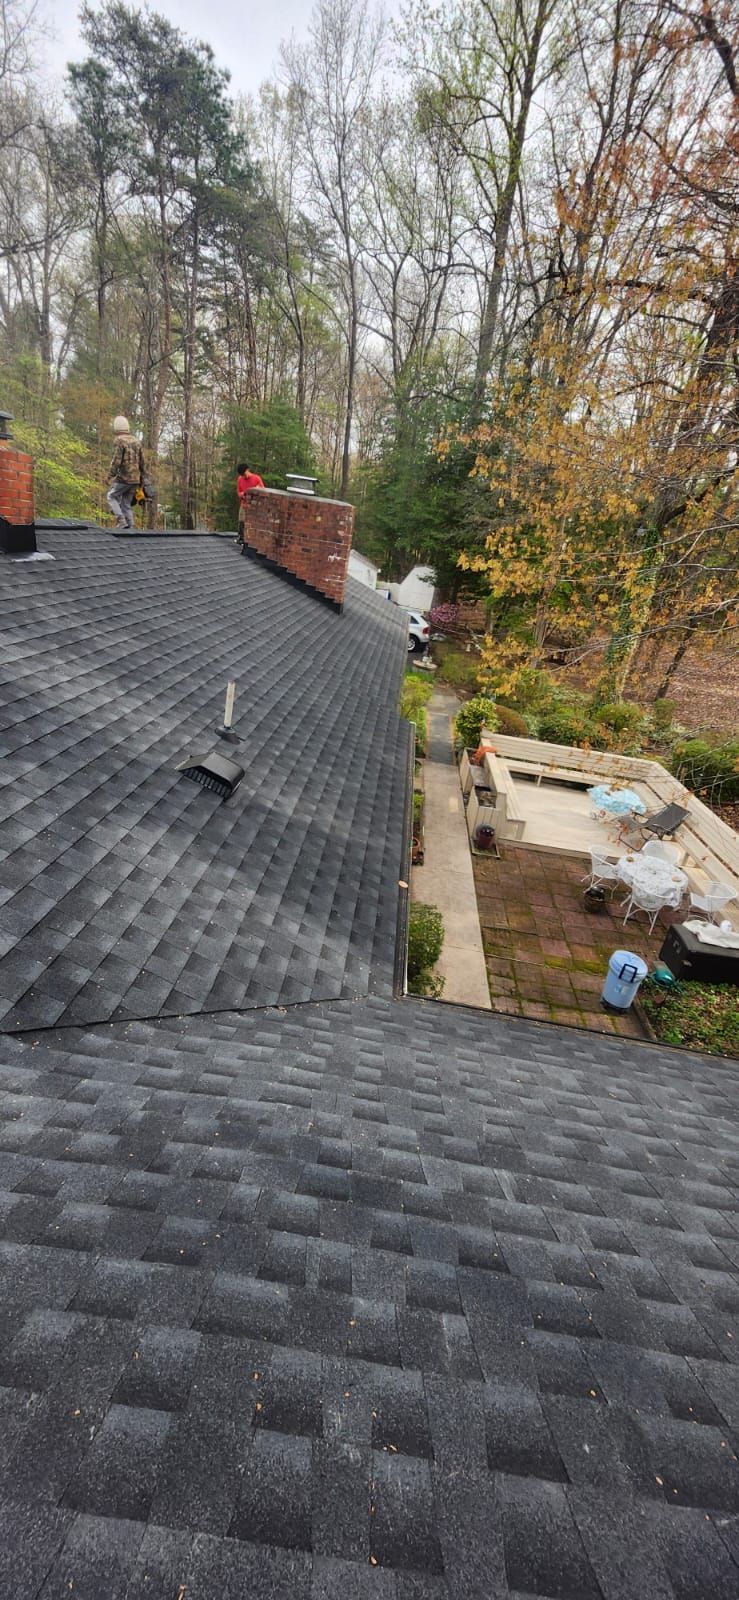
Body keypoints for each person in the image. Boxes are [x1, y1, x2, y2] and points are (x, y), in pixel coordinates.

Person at [107, 415, 147, 531]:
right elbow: (142, 461)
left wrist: (109, 475)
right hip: (136, 479)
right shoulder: (136, 441)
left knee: (111, 496)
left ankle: (121, 520)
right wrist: (143, 478)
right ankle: (131, 525)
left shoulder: (119, 441)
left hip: (124, 478)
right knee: (126, 503)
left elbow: (116, 461)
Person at [235, 461, 265, 544]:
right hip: (244, 504)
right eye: (242, 475)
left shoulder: (256, 478)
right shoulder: (240, 479)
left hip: (254, 505)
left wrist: (256, 490)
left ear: (248, 470)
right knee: (241, 520)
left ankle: (253, 539)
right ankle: (241, 537)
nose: (244, 476)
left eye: (245, 474)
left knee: (253, 523)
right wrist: (242, 494)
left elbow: (263, 490)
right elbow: (239, 492)